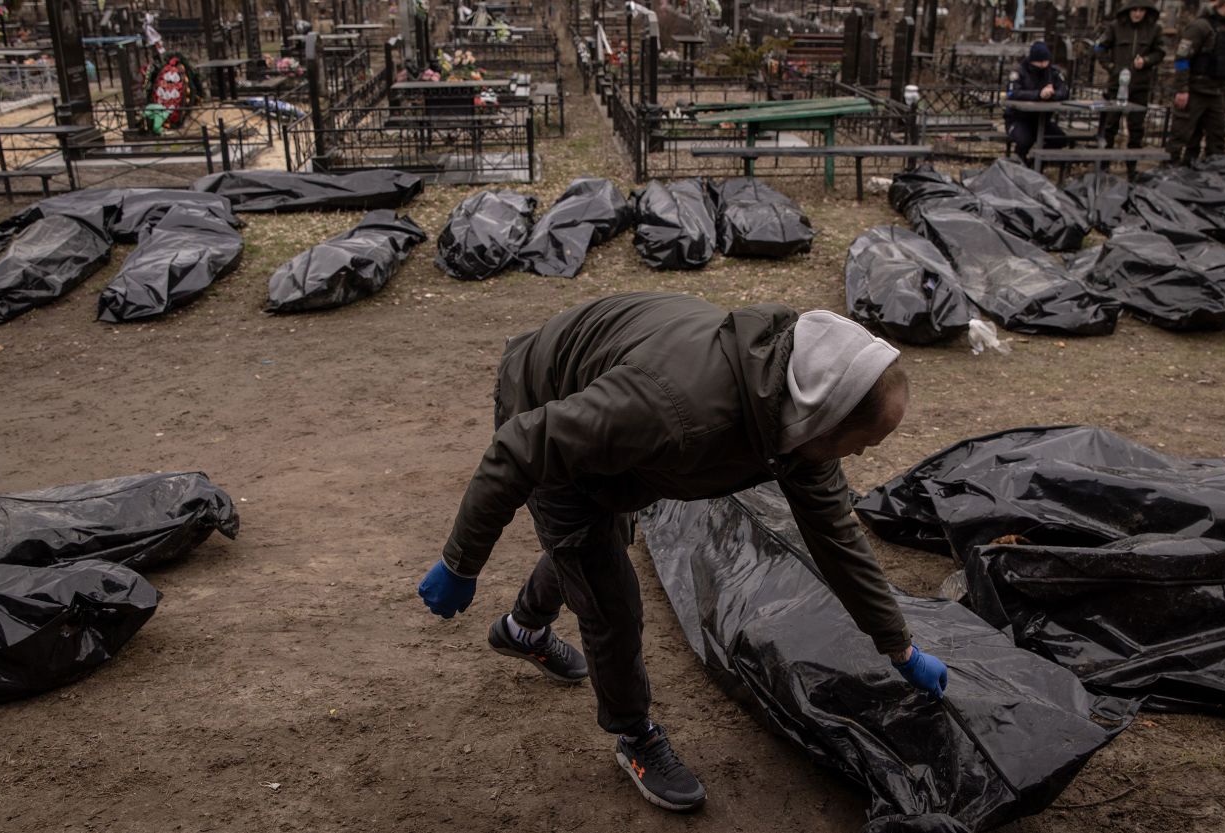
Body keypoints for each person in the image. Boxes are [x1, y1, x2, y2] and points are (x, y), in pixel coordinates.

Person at [417, 292, 948, 813]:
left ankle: (523, 628)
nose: (857, 454)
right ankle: (634, 738)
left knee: (603, 532)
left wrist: (898, 646)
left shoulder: (797, 407)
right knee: (610, 598)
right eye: (859, 441)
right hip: (542, 399)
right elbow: (520, 447)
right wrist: (461, 562)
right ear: (823, 417)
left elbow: (836, 537)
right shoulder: (677, 410)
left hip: (612, 415)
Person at [1167, 0, 1225, 165]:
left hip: (1216, 90)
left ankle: (1209, 170)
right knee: (1181, 135)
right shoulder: (1200, 27)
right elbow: (1182, 59)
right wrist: (1182, 89)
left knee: (1217, 135)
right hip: (1195, 89)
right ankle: (1169, 169)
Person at [1095, 0, 1167, 167]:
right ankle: (1103, 167)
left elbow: (1160, 52)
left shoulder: (1154, 29)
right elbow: (1100, 48)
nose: (1137, 14)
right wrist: (1112, 67)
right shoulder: (1115, 27)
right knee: (1110, 126)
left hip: (1140, 85)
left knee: (1136, 129)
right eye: (1134, 10)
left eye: (1141, 10)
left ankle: (1131, 169)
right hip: (1116, 84)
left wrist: (1147, 60)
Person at [1005, 41, 1070, 164]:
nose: (1043, 65)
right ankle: (1019, 163)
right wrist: (1038, 94)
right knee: (1024, 140)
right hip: (1019, 119)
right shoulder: (1020, 72)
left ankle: (1034, 164)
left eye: (1046, 61)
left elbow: (1064, 91)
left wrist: (1052, 94)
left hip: (1042, 120)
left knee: (1060, 139)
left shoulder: (1053, 72)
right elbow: (1012, 93)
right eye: (1040, 62)